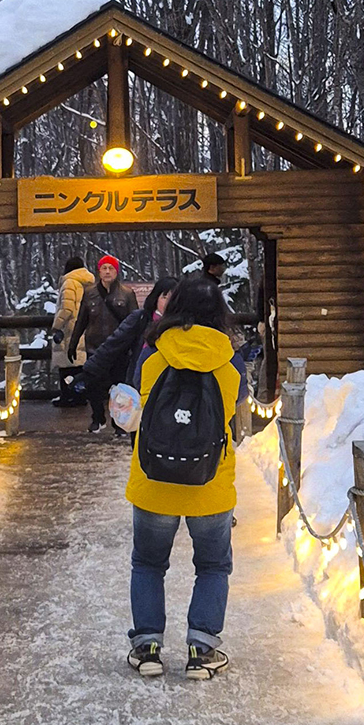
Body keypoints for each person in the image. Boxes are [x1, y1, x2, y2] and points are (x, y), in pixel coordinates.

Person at [125, 274, 240, 680]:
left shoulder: (152, 358)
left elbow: (136, 406)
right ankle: (202, 649)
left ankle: (148, 647)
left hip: (154, 480)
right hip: (209, 485)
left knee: (148, 563)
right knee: (211, 567)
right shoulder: (230, 365)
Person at [82, 276, 177, 434]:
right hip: (139, 389)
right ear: (155, 297)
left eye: (173, 298)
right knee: (141, 439)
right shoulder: (140, 319)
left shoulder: (184, 325)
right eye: (164, 297)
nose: (168, 302)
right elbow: (114, 343)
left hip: (170, 389)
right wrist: (89, 370)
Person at [69, 255, 136, 431]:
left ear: (116, 271)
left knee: (119, 388)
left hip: (119, 349)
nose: (107, 272)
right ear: (99, 271)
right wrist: (73, 342)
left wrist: (135, 346)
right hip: (95, 348)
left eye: (111, 268)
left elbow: (134, 321)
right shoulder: (90, 292)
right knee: (93, 386)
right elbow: (82, 320)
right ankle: (97, 417)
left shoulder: (127, 293)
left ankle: (118, 422)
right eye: (104, 268)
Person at [50, 255, 94, 407]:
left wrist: (56, 325)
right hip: (82, 328)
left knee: (66, 365)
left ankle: (67, 397)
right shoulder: (87, 283)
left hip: (69, 330)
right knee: (78, 365)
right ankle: (80, 395)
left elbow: (67, 308)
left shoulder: (69, 282)